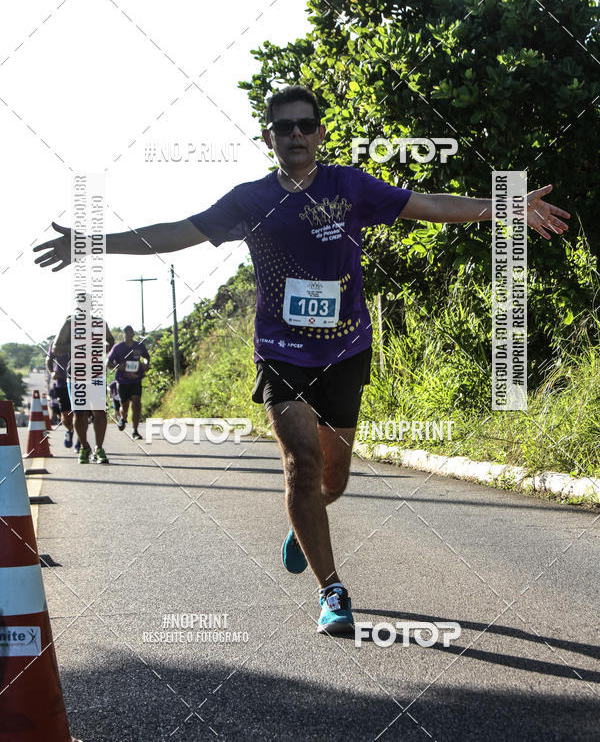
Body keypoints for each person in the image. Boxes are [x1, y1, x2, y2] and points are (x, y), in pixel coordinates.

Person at [33, 84, 570, 634]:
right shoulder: (249, 200)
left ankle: (303, 523)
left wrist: (504, 206)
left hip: (346, 350)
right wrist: (91, 242)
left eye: (305, 125)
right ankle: (332, 590)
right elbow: (174, 233)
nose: (296, 134)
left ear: (318, 133)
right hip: (281, 353)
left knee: (332, 481)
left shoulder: (349, 186)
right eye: (284, 126)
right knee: (302, 467)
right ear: (269, 137)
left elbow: (428, 206)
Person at [51, 315, 114, 464]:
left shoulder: (99, 322)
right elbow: (55, 348)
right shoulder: (69, 324)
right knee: (80, 414)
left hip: (96, 373)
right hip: (76, 375)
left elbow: (110, 341)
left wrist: (103, 347)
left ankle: (99, 448)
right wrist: (75, 346)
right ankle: (85, 447)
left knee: (100, 411)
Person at [107, 327, 149, 440]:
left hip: (136, 379)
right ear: (123, 334)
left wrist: (146, 365)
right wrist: (118, 366)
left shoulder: (139, 346)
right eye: (127, 333)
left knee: (136, 403)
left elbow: (146, 357)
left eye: (131, 333)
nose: (129, 335)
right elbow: (108, 362)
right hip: (122, 381)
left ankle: (135, 431)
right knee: (124, 405)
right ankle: (122, 418)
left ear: (133, 334)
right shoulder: (118, 348)